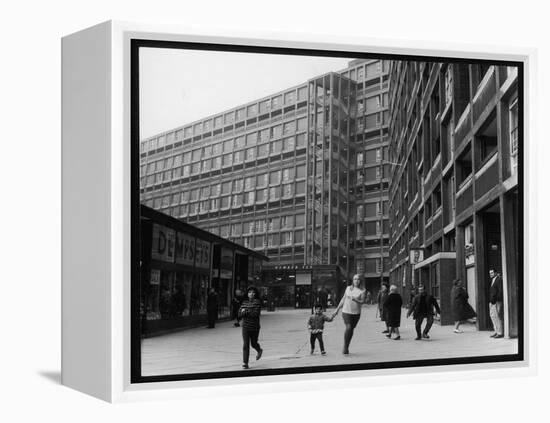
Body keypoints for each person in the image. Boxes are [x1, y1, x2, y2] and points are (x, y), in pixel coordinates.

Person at [332, 274, 366, 354]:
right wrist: (337, 310)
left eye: (358, 279)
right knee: (349, 327)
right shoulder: (348, 288)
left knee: (351, 329)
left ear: (360, 281)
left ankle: (347, 345)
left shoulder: (363, 290)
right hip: (346, 311)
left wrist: (356, 300)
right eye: (354, 279)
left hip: (356, 313)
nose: (356, 281)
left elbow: (362, 302)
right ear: (352, 280)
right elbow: (343, 299)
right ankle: (345, 347)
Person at [238, 286, 263, 369]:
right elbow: (239, 313)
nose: (251, 294)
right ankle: (245, 363)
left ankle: (259, 350)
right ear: (247, 294)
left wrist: (245, 311)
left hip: (254, 327)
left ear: (255, 294)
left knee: (253, 344)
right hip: (245, 327)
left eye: (253, 292)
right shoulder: (244, 302)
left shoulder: (257, 302)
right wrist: (246, 312)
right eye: (249, 292)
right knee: (245, 345)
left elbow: (255, 314)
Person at [488, 269, 504, 338]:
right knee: (493, 316)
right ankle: (496, 331)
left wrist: (496, 299)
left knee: (497, 317)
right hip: (492, 302)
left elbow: (500, 291)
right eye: (490, 273)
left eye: (492, 273)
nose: (490, 274)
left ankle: (500, 333)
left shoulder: (499, 279)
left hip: (497, 301)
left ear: (496, 273)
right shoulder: (493, 280)